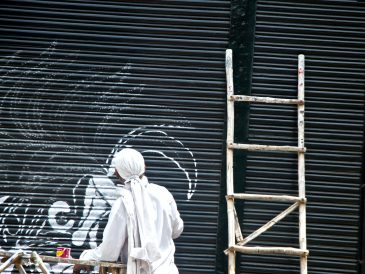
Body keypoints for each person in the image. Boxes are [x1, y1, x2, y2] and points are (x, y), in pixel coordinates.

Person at [73, 148, 184, 274]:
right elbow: (177, 230)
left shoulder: (123, 204)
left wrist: (85, 258)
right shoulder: (164, 194)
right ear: (144, 167)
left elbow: (108, 253)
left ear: (117, 173)